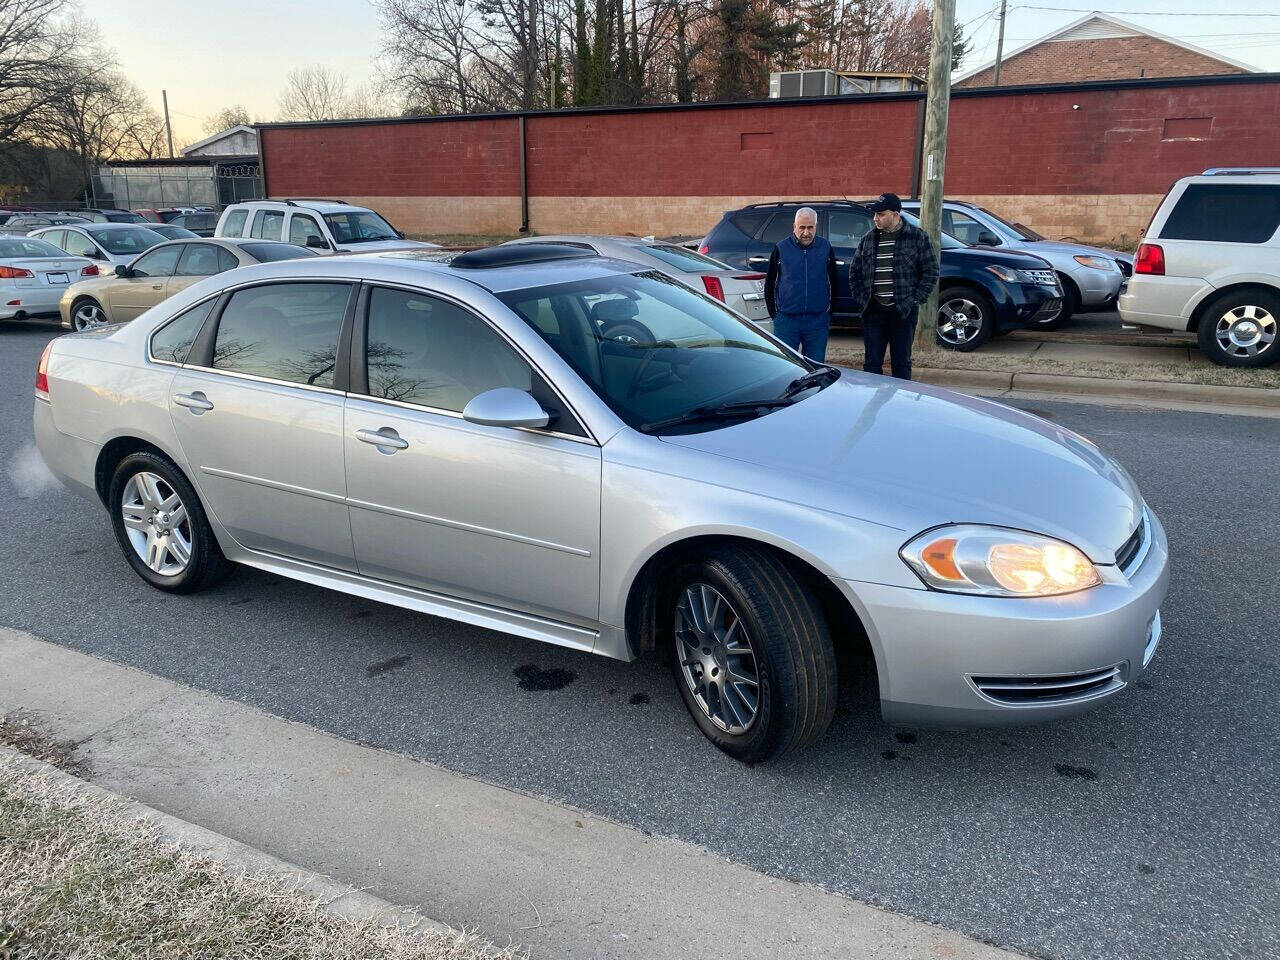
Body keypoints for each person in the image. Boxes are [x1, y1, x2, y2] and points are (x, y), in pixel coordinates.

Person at [849, 193, 939, 380]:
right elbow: (855, 272)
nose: (875, 218)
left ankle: (900, 405)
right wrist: (862, 299)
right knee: (872, 363)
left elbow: (930, 272)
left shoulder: (917, 237)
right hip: (874, 311)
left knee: (902, 363)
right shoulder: (868, 239)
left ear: (895, 214)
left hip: (903, 312)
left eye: (881, 214)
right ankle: (874, 405)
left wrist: (915, 299)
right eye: (875, 214)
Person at [764, 207, 838, 362]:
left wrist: (828, 313)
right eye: (802, 227)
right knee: (784, 366)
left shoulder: (825, 247)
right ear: (794, 227)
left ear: (816, 227)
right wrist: (774, 315)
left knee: (815, 368)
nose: (806, 233)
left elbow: (834, 280)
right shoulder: (781, 248)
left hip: (817, 322)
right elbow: (770, 284)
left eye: (810, 227)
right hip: (787, 321)